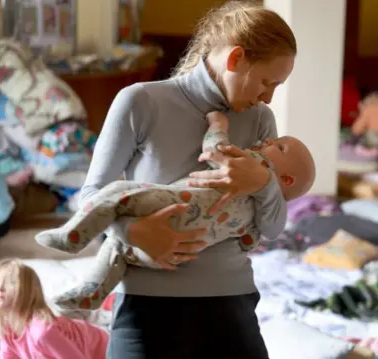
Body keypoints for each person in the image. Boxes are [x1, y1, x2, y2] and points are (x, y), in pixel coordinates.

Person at [78, 2, 297, 358]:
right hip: (146, 300)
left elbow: (272, 228)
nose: (268, 97)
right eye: (266, 82)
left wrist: (264, 183)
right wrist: (131, 232)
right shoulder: (140, 101)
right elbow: (88, 197)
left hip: (230, 300)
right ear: (236, 58)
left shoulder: (259, 120)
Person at [36, 111, 315, 310]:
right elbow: (249, 239)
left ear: (286, 179)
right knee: (120, 249)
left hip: (178, 203)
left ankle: (72, 234)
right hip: (188, 245)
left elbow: (215, 150)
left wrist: (218, 123)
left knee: (117, 194)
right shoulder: (264, 210)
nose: (268, 141)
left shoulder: (254, 165)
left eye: (279, 146)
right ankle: (92, 294)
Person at [0, 259, 109, 358]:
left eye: (11, 283)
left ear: (28, 291)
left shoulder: (42, 332)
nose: (0, 289)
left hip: (105, 350)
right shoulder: (5, 328)